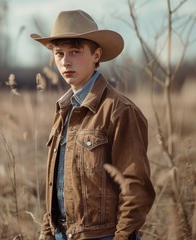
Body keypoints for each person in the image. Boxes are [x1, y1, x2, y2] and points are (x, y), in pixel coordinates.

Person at [30, 10, 155, 240]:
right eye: (59, 54)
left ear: (96, 54)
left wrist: (122, 237)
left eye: (75, 52)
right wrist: (47, 233)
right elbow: (57, 184)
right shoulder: (64, 110)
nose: (66, 61)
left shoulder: (118, 110)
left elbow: (135, 187)